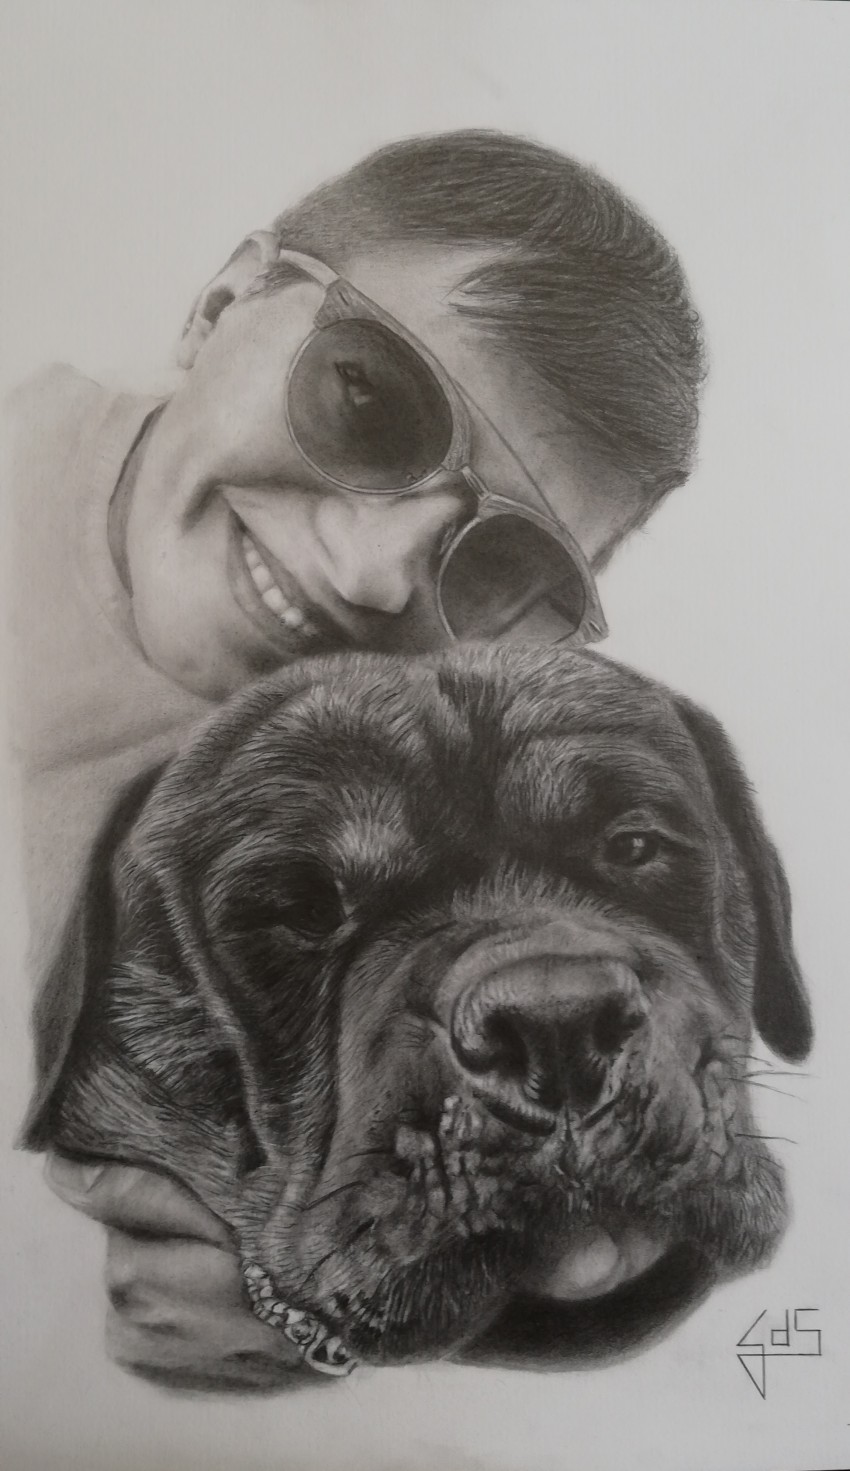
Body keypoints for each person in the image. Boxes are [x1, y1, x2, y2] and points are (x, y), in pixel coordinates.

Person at [7, 129, 705, 1389]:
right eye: (367, 399)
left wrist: (339, 1310)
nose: (378, 575)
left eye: (506, 564)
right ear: (222, 301)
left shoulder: (457, 804)